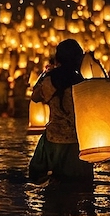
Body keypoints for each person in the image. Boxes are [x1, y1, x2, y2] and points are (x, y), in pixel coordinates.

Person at [28, 39, 93, 182]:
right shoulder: (82, 82)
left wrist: (45, 73)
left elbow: (35, 97)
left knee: (51, 185)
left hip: (53, 140)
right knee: (78, 186)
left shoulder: (51, 80)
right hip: (77, 142)